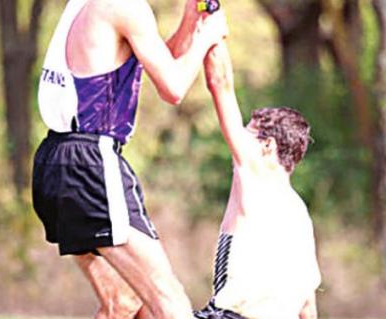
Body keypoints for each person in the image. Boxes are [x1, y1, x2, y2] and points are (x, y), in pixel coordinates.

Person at [32, 0, 228, 318]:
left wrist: (190, 24)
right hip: (91, 163)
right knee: (171, 303)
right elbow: (174, 88)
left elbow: (155, 62)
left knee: (124, 303)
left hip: (55, 161)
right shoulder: (126, 6)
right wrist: (209, 36)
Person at [193, 41, 322, 319]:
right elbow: (308, 309)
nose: (236, 138)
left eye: (247, 133)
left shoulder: (257, 176)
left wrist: (209, 22)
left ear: (268, 146)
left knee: (145, 298)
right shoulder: (300, 215)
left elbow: (221, 83)